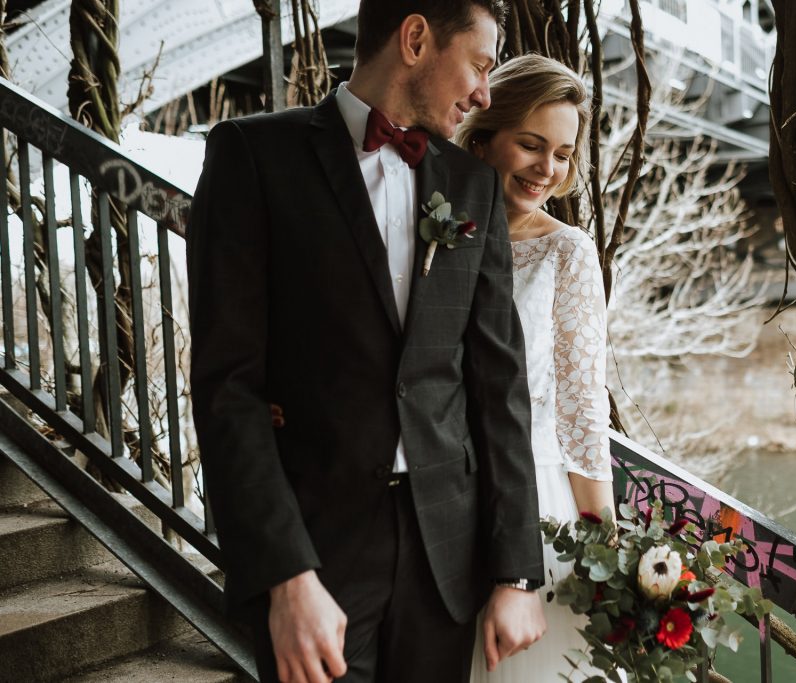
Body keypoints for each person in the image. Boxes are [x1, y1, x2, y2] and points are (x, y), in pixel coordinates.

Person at [186, 2, 547, 681]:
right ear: (415, 39)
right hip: (315, 551)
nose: (484, 93)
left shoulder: (472, 186)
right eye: (477, 64)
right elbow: (227, 384)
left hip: (447, 557)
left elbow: (500, 386)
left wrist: (517, 571)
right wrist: (285, 575)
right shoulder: (254, 156)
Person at [455, 54, 616, 681]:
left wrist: (604, 540)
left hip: (535, 500)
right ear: (485, 136)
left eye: (563, 154)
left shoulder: (568, 254)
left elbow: (582, 407)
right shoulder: (437, 228)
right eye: (530, 144)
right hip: (438, 492)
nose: (547, 168)